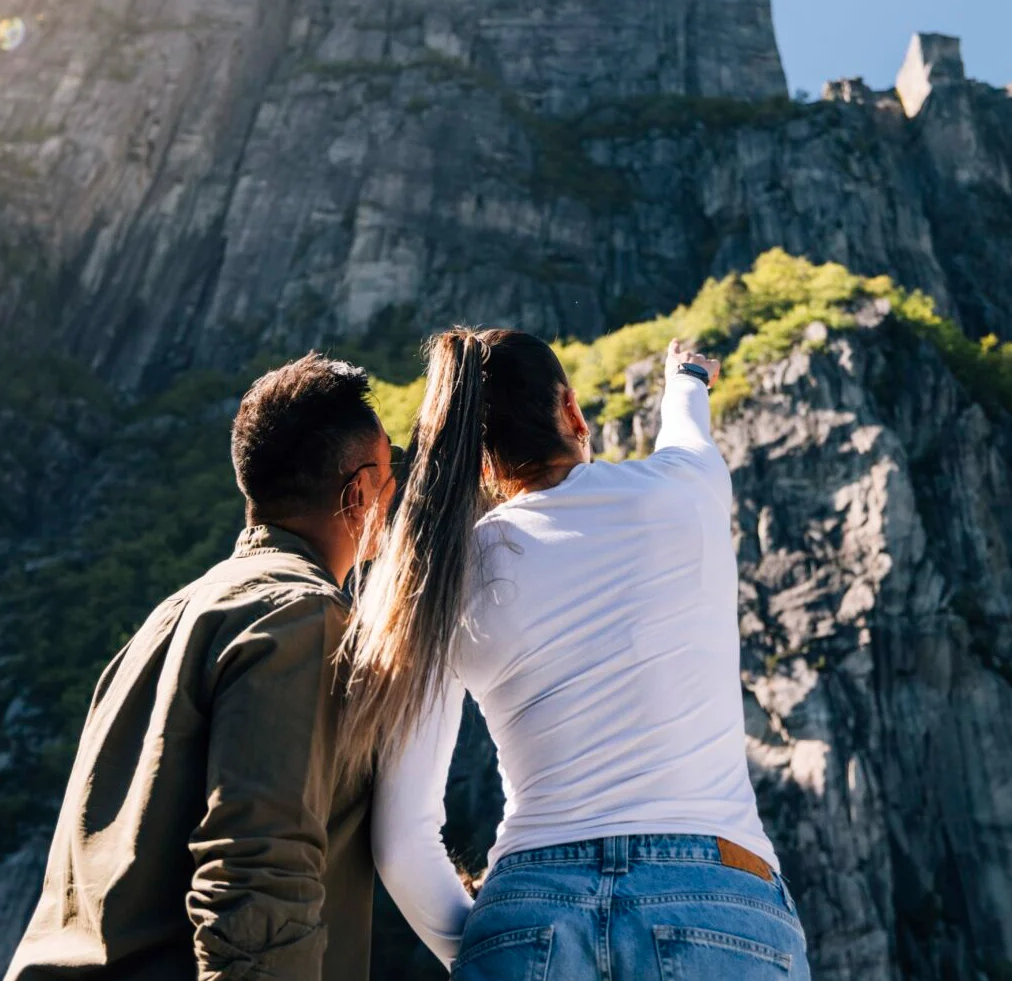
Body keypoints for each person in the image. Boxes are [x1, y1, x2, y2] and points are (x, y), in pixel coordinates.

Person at [339, 330, 810, 979]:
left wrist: (493, 946)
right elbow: (686, 428)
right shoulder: (683, 491)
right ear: (573, 411)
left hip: (525, 907)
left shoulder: (447, 571)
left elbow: (400, 841)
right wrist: (686, 373)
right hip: (716, 902)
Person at [6, 353, 394, 981]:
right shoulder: (300, 617)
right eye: (390, 471)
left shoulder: (164, 623)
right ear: (357, 494)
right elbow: (259, 870)